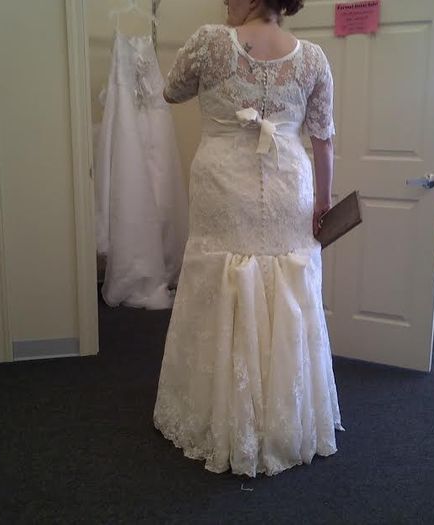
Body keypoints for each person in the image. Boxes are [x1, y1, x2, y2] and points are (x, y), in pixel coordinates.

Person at [153, 0, 343, 477]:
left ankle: (218, 416)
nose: (225, 2)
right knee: (288, 287)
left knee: (222, 284)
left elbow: (171, 91)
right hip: (289, 186)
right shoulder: (313, 58)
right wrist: (323, 202)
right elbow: (323, 140)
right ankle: (282, 418)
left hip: (223, 184)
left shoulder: (209, 42)